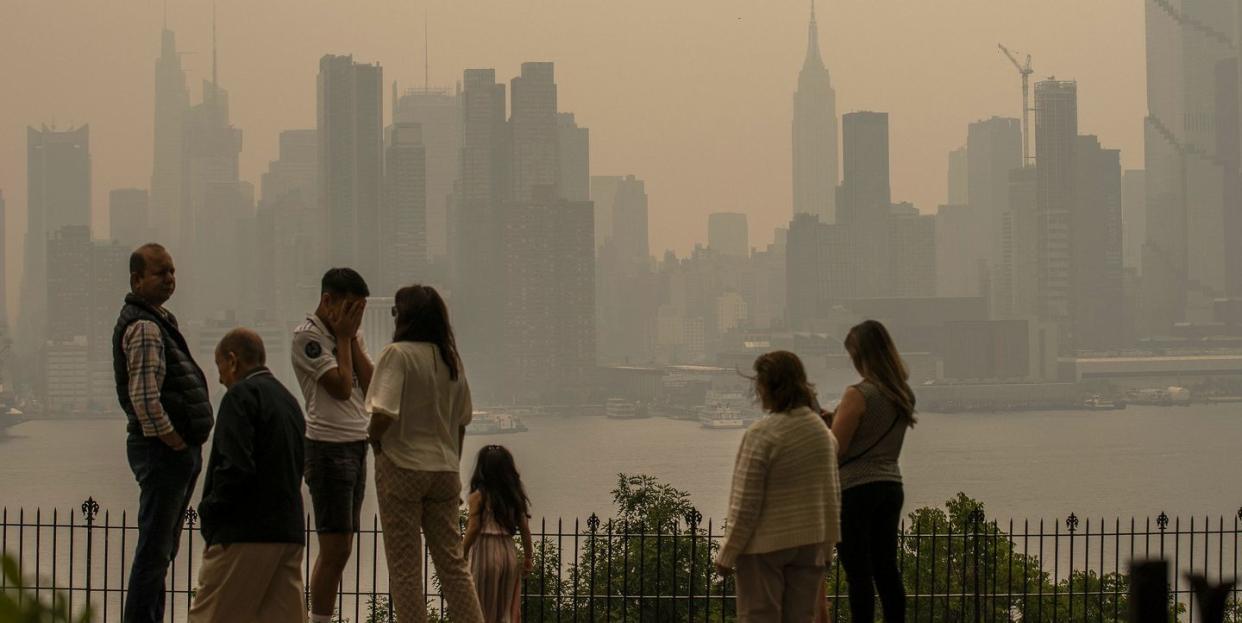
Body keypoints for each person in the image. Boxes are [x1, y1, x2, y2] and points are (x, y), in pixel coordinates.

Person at [365, 285, 483, 623]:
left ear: (404, 317)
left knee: (405, 568)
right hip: (444, 470)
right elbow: (461, 423)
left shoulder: (397, 355)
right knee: (453, 564)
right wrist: (451, 462)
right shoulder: (451, 362)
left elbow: (384, 412)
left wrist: (374, 441)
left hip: (402, 466)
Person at [112, 243, 214, 623]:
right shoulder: (143, 326)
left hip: (171, 452)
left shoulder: (157, 319)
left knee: (162, 550)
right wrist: (174, 440)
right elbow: (145, 399)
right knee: (155, 551)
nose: (170, 279)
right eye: (160, 273)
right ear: (137, 279)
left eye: (172, 271)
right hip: (163, 452)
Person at [189, 329, 307, 623]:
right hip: (287, 532)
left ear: (232, 360)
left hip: (244, 533)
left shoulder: (239, 397)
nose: (219, 379)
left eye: (219, 368)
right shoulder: (289, 401)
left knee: (211, 616)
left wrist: (210, 510)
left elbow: (235, 467)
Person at [715, 351, 841, 623]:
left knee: (759, 617)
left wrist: (727, 553)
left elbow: (745, 504)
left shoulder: (762, 435)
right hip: (811, 546)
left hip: (764, 549)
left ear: (768, 386)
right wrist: (827, 549)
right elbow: (832, 498)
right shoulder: (824, 435)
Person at [291, 268, 374, 623]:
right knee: (334, 547)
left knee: (345, 547)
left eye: (360, 311)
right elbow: (340, 387)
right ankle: (319, 619)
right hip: (327, 448)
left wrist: (351, 338)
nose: (356, 317)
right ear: (328, 301)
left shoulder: (349, 336)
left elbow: (371, 384)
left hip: (357, 443)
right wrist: (342, 338)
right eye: (350, 308)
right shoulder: (307, 338)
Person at [824, 320, 916, 623]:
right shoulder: (902, 394)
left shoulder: (857, 394)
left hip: (856, 488)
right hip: (891, 485)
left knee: (858, 572)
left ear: (862, 355)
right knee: (886, 568)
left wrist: (825, 421)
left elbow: (836, 446)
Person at [462, 445, 534, 623]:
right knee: (505, 611)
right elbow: (525, 529)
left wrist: (460, 553)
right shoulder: (514, 497)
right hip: (508, 553)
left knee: (481, 610)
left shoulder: (478, 496)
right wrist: (527, 558)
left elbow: (473, 528)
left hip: (484, 554)